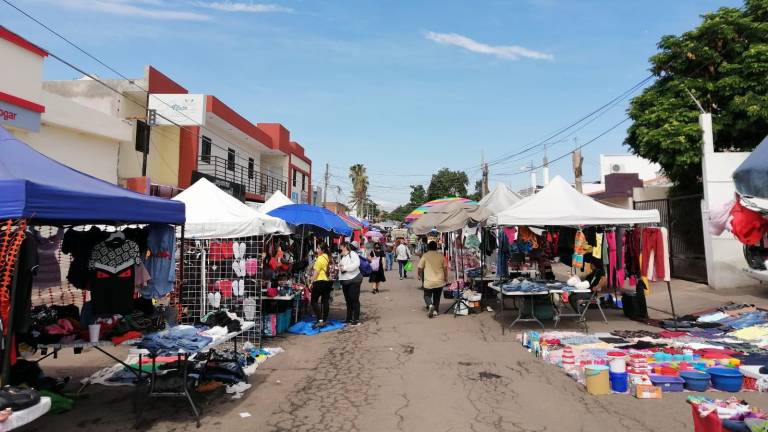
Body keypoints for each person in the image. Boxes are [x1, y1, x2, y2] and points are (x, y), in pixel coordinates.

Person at [418, 241, 447, 318]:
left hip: (428, 281)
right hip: (439, 281)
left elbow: (420, 268)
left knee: (427, 296)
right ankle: (435, 311)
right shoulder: (441, 256)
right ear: (436, 247)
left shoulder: (425, 256)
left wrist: (419, 275)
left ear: (428, 247)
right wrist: (446, 277)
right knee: (437, 297)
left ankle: (430, 305)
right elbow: (445, 268)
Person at [338, 241, 363, 326]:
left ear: (345, 247)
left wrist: (345, 268)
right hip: (345, 281)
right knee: (348, 300)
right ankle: (348, 318)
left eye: (341, 247)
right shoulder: (343, 256)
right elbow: (341, 266)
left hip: (354, 280)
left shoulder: (353, 254)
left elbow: (356, 264)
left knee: (354, 300)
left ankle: (356, 319)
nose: (340, 248)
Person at [310, 243, 333, 328]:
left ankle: (320, 320)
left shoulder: (319, 259)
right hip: (328, 282)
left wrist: (311, 282)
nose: (317, 250)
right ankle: (324, 319)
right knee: (325, 301)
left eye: (318, 248)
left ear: (322, 250)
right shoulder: (327, 257)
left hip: (320, 281)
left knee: (313, 301)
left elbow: (316, 273)